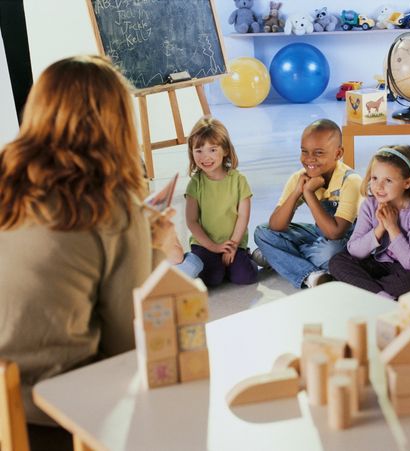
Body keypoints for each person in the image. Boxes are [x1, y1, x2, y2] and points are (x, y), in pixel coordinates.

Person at [0, 55, 177, 450]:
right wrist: (157, 248)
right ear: (118, 121)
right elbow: (127, 345)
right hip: (48, 412)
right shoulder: (109, 207)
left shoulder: (8, 175)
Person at [254, 119, 362, 288]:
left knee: (330, 254)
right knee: (262, 232)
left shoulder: (351, 181)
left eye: (319, 153)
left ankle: (278, 257)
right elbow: (276, 225)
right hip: (319, 235)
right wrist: (298, 191)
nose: (309, 159)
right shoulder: (299, 177)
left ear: (338, 153)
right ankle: (312, 274)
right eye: (304, 151)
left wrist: (309, 193)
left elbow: (335, 233)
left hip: (346, 241)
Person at [329, 145, 410, 298]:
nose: (378, 186)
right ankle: (383, 297)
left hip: (402, 269)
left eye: (388, 180)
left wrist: (392, 227)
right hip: (376, 262)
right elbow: (354, 250)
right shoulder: (370, 204)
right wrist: (380, 228)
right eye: (374, 178)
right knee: (337, 261)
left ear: (407, 183)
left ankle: (364, 289)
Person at [184, 115, 258, 286]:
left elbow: (243, 217)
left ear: (225, 150)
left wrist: (232, 246)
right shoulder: (195, 184)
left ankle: (250, 256)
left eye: (212, 149)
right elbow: (191, 221)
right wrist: (213, 247)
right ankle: (192, 262)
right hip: (204, 244)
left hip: (234, 242)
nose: (205, 157)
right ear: (192, 152)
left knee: (245, 277)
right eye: (199, 150)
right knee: (211, 278)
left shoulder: (239, 181)